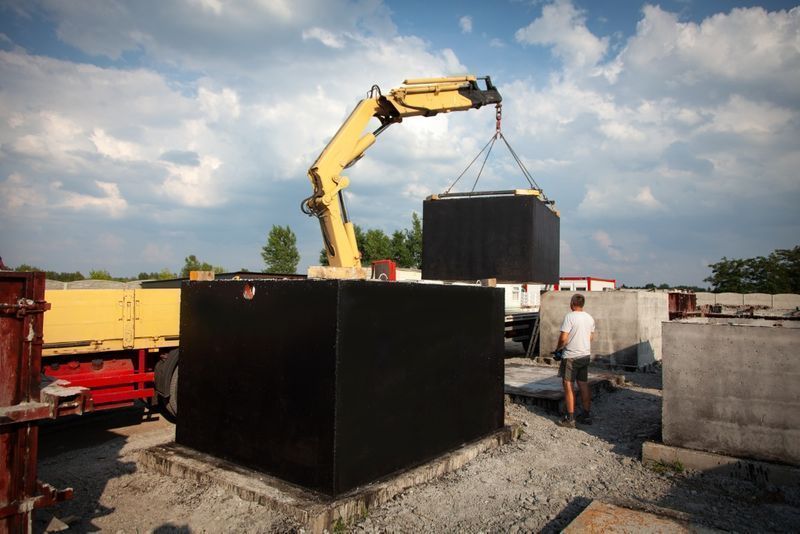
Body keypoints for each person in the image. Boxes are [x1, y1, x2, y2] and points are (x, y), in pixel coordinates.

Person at [555, 293, 595, 428]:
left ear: (572, 303)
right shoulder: (589, 318)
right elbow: (590, 338)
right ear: (582, 304)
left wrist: (558, 349)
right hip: (585, 356)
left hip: (571, 357)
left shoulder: (569, 317)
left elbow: (563, 337)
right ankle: (586, 415)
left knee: (568, 385)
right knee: (583, 384)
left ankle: (570, 418)